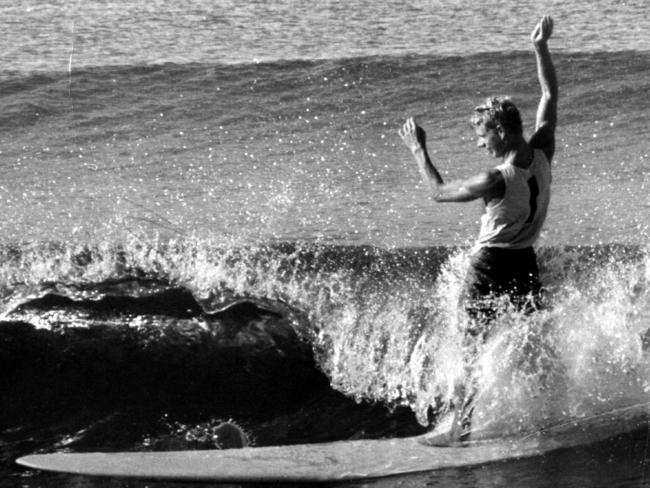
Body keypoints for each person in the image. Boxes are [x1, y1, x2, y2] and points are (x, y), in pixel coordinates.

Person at [399, 15, 557, 442]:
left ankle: (460, 428)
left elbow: (438, 192)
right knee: (532, 339)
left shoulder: (496, 178)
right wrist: (539, 49)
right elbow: (548, 94)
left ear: (501, 131)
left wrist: (418, 149)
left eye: (482, 135)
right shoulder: (543, 151)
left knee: (470, 345)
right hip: (525, 263)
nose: (479, 142)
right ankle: (546, 412)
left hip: (490, 266)